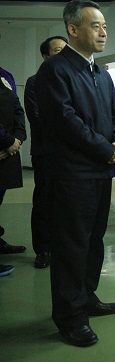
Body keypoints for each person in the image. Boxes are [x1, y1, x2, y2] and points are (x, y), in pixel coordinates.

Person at [36, 0, 115, 346]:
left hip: (100, 173)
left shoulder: (100, 73)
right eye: (95, 25)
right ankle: (70, 318)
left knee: (93, 241)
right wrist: (105, 149)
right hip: (72, 174)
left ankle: (87, 296)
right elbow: (64, 121)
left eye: (105, 26)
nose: (103, 32)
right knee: (71, 247)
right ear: (73, 29)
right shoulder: (55, 70)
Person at [24, 36, 66, 269]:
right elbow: (38, 118)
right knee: (44, 201)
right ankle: (43, 249)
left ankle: (62, 247)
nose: (63, 54)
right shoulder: (34, 82)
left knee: (67, 202)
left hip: (72, 153)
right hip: (46, 152)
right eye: (58, 51)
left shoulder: (72, 79)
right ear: (46, 56)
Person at [0, 66, 27, 277]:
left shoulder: (5, 75)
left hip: (7, 148)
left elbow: (18, 108)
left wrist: (17, 138)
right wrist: (6, 139)